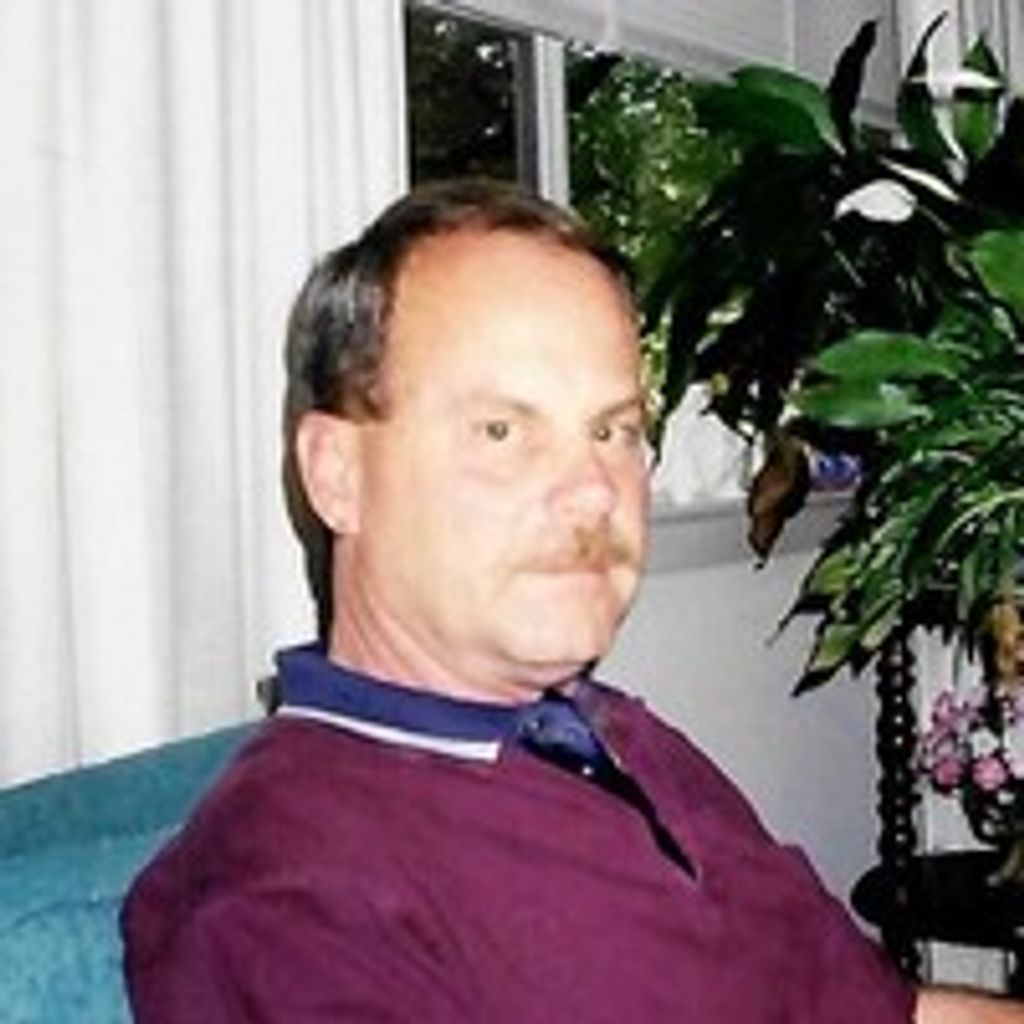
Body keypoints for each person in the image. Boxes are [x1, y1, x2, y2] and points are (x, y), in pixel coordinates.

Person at [121, 179, 1024, 1022]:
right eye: (503, 430)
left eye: (612, 429)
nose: (595, 490)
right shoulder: (285, 899)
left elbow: (883, 1012)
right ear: (337, 473)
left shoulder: (614, 735)